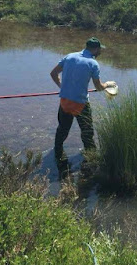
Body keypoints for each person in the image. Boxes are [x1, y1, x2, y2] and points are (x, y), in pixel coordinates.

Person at [50, 37, 116, 174]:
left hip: (64, 101)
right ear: (96, 49)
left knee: (63, 129)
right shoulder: (93, 63)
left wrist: (61, 86)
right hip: (80, 104)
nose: (100, 52)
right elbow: (98, 87)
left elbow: (53, 73)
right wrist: (108, 85)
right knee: (87, 132)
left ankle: (58, 152)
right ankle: (91, 159)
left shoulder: (69, 56)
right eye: (100, 50)